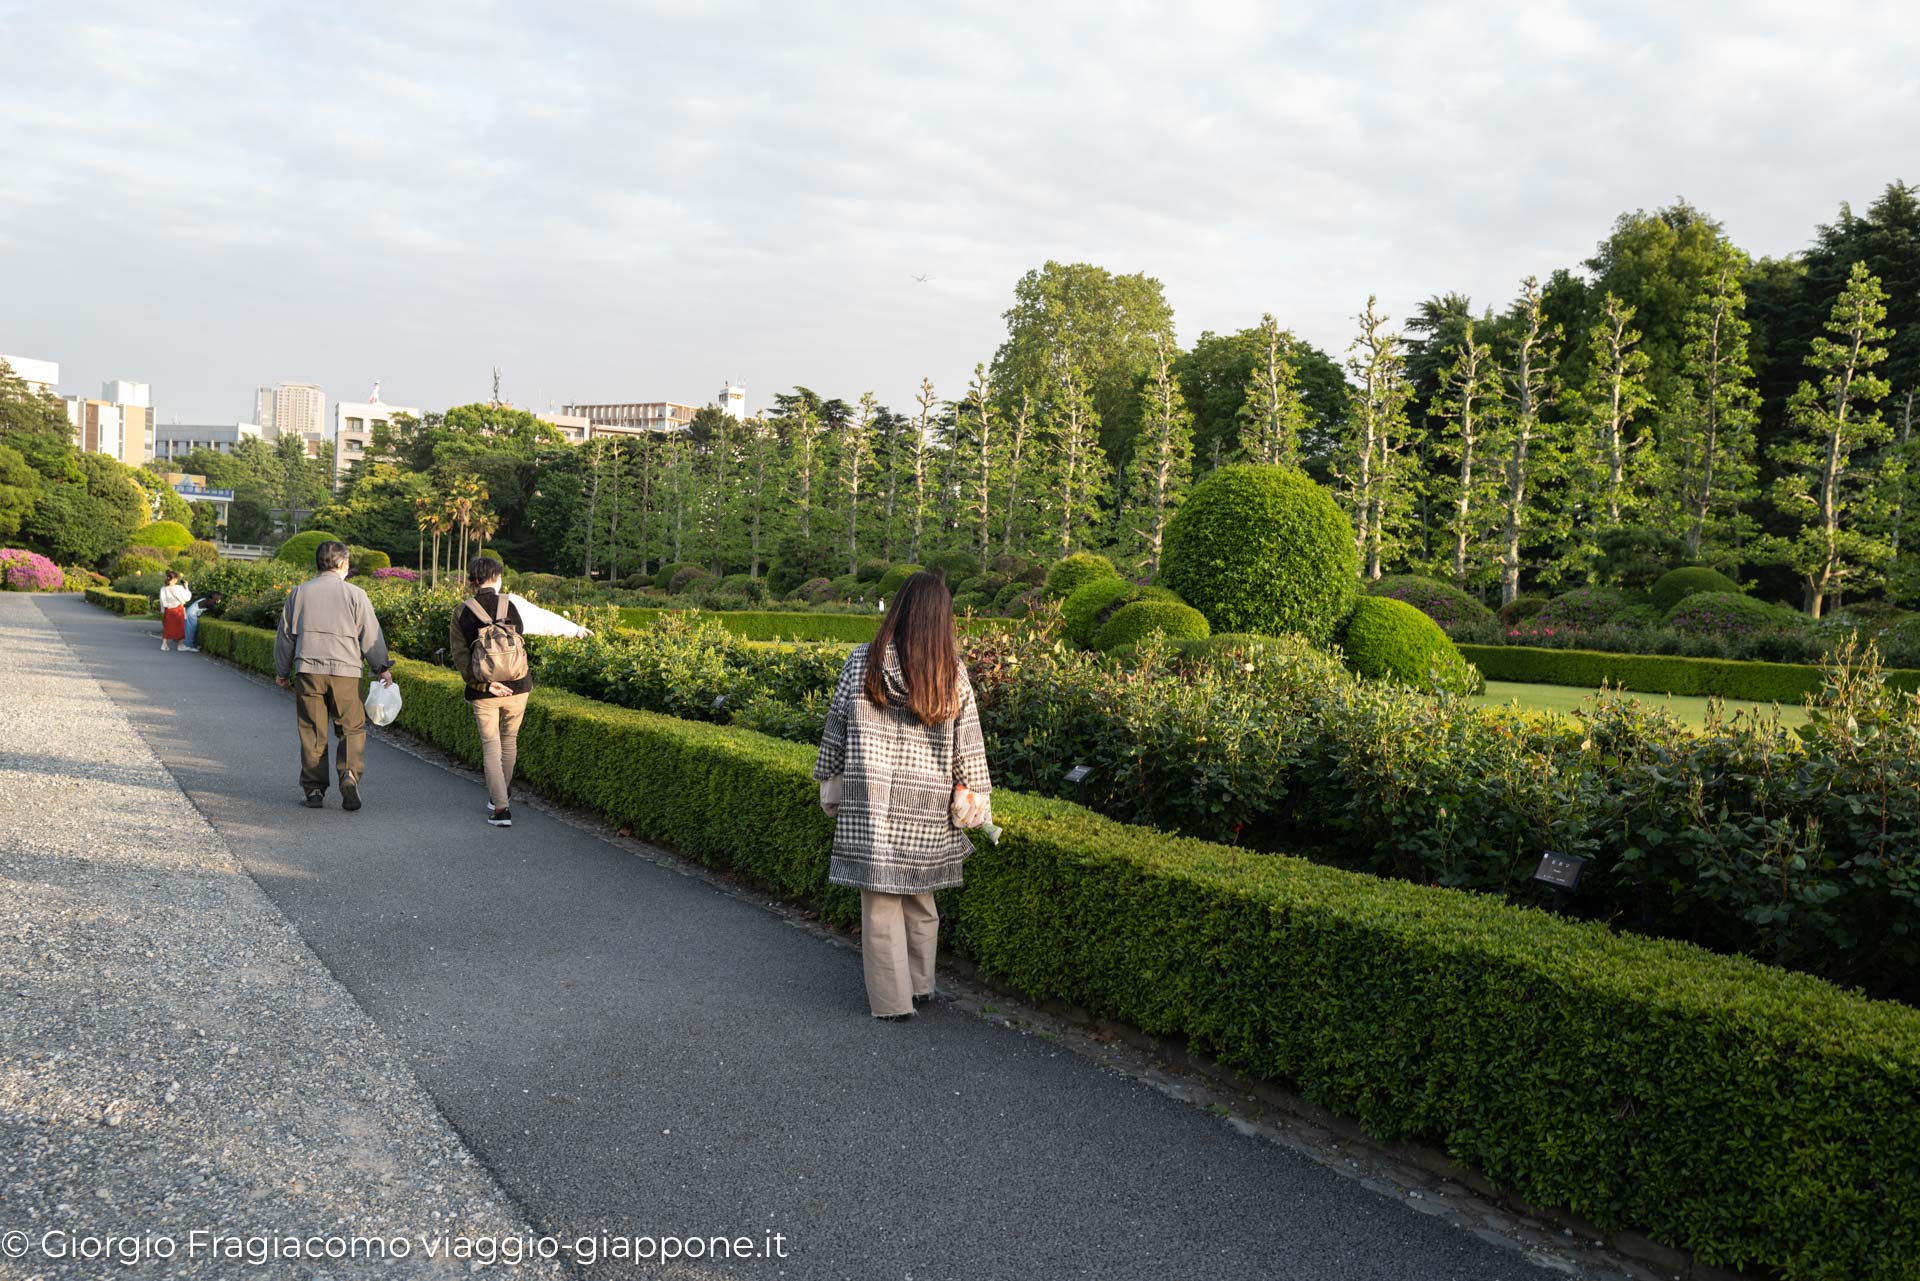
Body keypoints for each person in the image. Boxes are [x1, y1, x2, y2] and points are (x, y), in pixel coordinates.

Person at [814, 571, 993, 1020]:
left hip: (871, 803)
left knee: (880, 907)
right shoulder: (949, 671)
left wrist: (829, 778)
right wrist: (974, 796)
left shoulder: (862, 662)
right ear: (941, 618)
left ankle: (893, 1003)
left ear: (899, 609)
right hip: (927, 803)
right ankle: (920, 986)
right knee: (920, 898)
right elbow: (968, 744)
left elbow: (835, 728)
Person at [273, 540, 393, 811]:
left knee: (312, 730)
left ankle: (314, 789)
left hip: (308, 669)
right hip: (345, 672)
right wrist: (382, 667)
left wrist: (282, 671)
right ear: (343, 564)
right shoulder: (356, 594)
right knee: (351, 728)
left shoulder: (299, 593)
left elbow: (286, 636)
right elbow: (370, 634)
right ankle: (349, 774)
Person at [450, 557, 530, 828]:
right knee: (509, 741)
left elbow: (461, 658)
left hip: (485, 691)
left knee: (491, 746)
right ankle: (500, 795)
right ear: (497, 578)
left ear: (473, 580)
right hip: (518, 686)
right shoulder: (511, 604)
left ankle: (501, 809)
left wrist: (485, 685)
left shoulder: (462, 611)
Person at [158, 571, 190, 651]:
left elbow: (162, 601)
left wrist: (163, 611)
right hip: (178, 609)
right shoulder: (178, 588)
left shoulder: (163, 588)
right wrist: (186, 587)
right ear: (175, 579)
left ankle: (164, 644)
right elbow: (187, 597)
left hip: (168, 609)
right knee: (180, 627)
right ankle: (180, 645)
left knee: (167, 627)